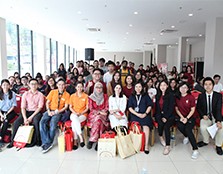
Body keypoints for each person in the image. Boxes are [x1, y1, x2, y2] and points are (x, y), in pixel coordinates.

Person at [7, 78, 45, 148]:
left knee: (36, 121)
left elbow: (40, 107)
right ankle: (12, 141)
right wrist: (25, 118)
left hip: (36, 112)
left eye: (35, 84)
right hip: (26, 112)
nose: (33, 85)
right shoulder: (25, 94)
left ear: (37, 85)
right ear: (29, 85)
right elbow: (23, 107)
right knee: (16, 122)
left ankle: (38, 140)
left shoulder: (40, 95)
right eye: (32, 84)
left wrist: (31, 117)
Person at [39, 79, 70, 153]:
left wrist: (57, 111)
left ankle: (47, 143)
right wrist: (49, 111)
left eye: (63, 84)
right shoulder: (52, 92)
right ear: (57, 85)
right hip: (50, 110)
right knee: (42, 122)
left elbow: (65, 107)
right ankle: (47, 142)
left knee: (53, 124)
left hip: (59, 112)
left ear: (65, 85)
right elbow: (47, 102)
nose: (61, 86)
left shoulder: (67, 95)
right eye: (59, 84)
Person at [197, 77, 223, 155]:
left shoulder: (218, 96)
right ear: (203, 85)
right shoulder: (201, 96)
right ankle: (205, 141)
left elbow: (218, 109)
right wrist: (203, 115)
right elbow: (198, 107)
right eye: (205, 84)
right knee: (203, 127)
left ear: (213, 85)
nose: (208, 86)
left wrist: (218, 121)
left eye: (209, 84)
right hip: (206, 116)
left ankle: (218, 146)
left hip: (216, 116)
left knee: (221, 128)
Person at [175, 82, 199, 159]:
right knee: (179, 125)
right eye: (181, 87)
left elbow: (192, 110)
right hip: (181, 116)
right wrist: (182, 117)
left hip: (190, 116)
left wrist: (187, 118)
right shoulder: (177, 97)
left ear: (188, 89)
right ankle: (186, 136)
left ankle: (195, 149)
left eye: (185, 87)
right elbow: (176, 109)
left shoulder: (191, 97)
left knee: (188, 129)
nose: (183, 89)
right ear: (179, 88)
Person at [128, 82, 153, 154]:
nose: (138, 88)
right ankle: (136, 145)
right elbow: (129, 108)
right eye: (136, 87)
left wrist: (145, 113)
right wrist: (137, 114)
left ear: (142, 88)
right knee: (135, 127)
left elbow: (150, 106)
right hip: (135, 115)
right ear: (134, 88)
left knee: (146, 127)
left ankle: (146, 145)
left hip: (145, 115)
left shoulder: (145, 96)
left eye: (140, 87)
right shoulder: (132, 96)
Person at [87, 82, 109, 151]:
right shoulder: (91, 97)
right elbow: (91, 108)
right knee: (98, 120)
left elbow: (106, 107)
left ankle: (92, 140)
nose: (99, 89)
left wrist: (101, 112)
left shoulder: (105, 96)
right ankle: (99, 141)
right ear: (94, 88)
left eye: (100, 87)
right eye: (97, 87)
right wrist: (99, 112)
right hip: (94, 115)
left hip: (103, 114)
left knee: (99, 120)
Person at [155, 80, 175, 155]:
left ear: (167, 86)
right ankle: (160, 136)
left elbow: (171, 108)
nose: (162, 87)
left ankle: (167, 146)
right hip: (159, 115)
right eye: (161, 85)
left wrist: (166, 117)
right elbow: (157, 108)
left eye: (164, 85)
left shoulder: (171, 95)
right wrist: (160, 116)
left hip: (169, 116)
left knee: (167, 126)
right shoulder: (158, 95)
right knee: (160, 123)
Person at [69, 82, 88, 150]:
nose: (79, 88)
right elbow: (70, 107)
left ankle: (75, 140)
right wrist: (75, 113)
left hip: (83, 114)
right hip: (74, 113)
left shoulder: (86, 96)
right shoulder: (72, 96)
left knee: (73, 122)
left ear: (83, 88)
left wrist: (81, 113)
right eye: (78, 87)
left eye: (81, 87)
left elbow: (87, 108)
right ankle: (80, 136)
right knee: (74, 118)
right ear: (76, 88)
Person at [0, 79, 17, 146]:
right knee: (4, 119)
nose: (5, 86)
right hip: (1, 112)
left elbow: (13, 106)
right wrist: (1, 115)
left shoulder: (12, 94)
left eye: (7, 84)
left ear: (9, 85)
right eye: (4, 85)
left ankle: (1, 138)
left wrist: (6, 115)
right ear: (1, 86)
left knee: (6, 121)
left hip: (10, 112)